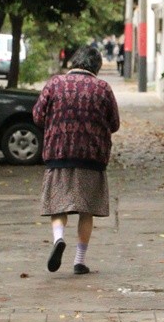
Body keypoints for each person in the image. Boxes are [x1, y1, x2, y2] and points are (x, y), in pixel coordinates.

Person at [32, 46, 121, 275]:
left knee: (58, 203)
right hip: (92, 156)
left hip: (59, 153)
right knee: (86, 209)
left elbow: (38, 116)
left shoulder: (54, 84)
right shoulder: (103, 88)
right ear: (97, 67)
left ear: (74, 62)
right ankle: (79, 260)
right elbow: (114, 124)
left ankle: (59, 238)